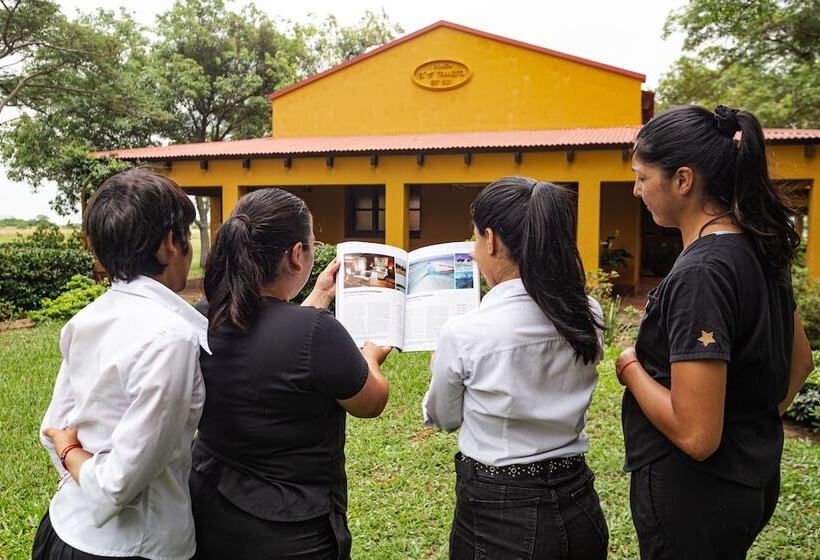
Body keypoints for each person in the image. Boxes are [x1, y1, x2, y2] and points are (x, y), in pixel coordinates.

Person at [617, 105, 814, 559]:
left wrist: (630, 367)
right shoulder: (760, 249)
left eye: (643, 177)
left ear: (683, 180)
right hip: (750, 482)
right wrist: (746, 420)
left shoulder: (702, 271)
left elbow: (698, 436)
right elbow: (800, 361)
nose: (636, 189)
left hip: (696, 497)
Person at [189, 188, 391, 560]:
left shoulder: (203, 316)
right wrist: (371, 357)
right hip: (293, 529)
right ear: (297, 255)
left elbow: (273, 335)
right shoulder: (316, 332)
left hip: (209, 510)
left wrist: (319, 297)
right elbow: (371, 401)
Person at [424, 177, 609, 560]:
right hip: (579, 502)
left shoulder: (465, 333)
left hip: (499, 513)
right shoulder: (588, 312)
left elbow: (443, 416)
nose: (475, 251)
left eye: (474, 238)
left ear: (491, 241)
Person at [35, 168, 208, 560]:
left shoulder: (87, 319)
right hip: (134, 546)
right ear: (169, 243)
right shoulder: (171, 339)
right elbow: (117, 484)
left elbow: (55, 426)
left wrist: (69, 452)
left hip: (63, 528)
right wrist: (70, 454)